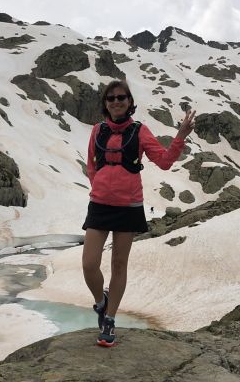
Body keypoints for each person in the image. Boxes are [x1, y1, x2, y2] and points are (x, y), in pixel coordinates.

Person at [82, 79, 195, 347]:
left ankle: (109, 321)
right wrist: (100, 186)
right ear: (105, 104)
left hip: (129, 207)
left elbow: (165, 162)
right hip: (99, 205)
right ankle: (101, 302)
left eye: (122, 97)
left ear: (130, 102)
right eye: (111, 98)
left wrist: (180, 136)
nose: (116, 101)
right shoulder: (97, 130)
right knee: (89, 264)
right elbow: (91, 164)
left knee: (119, 265)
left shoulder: (140, 131)